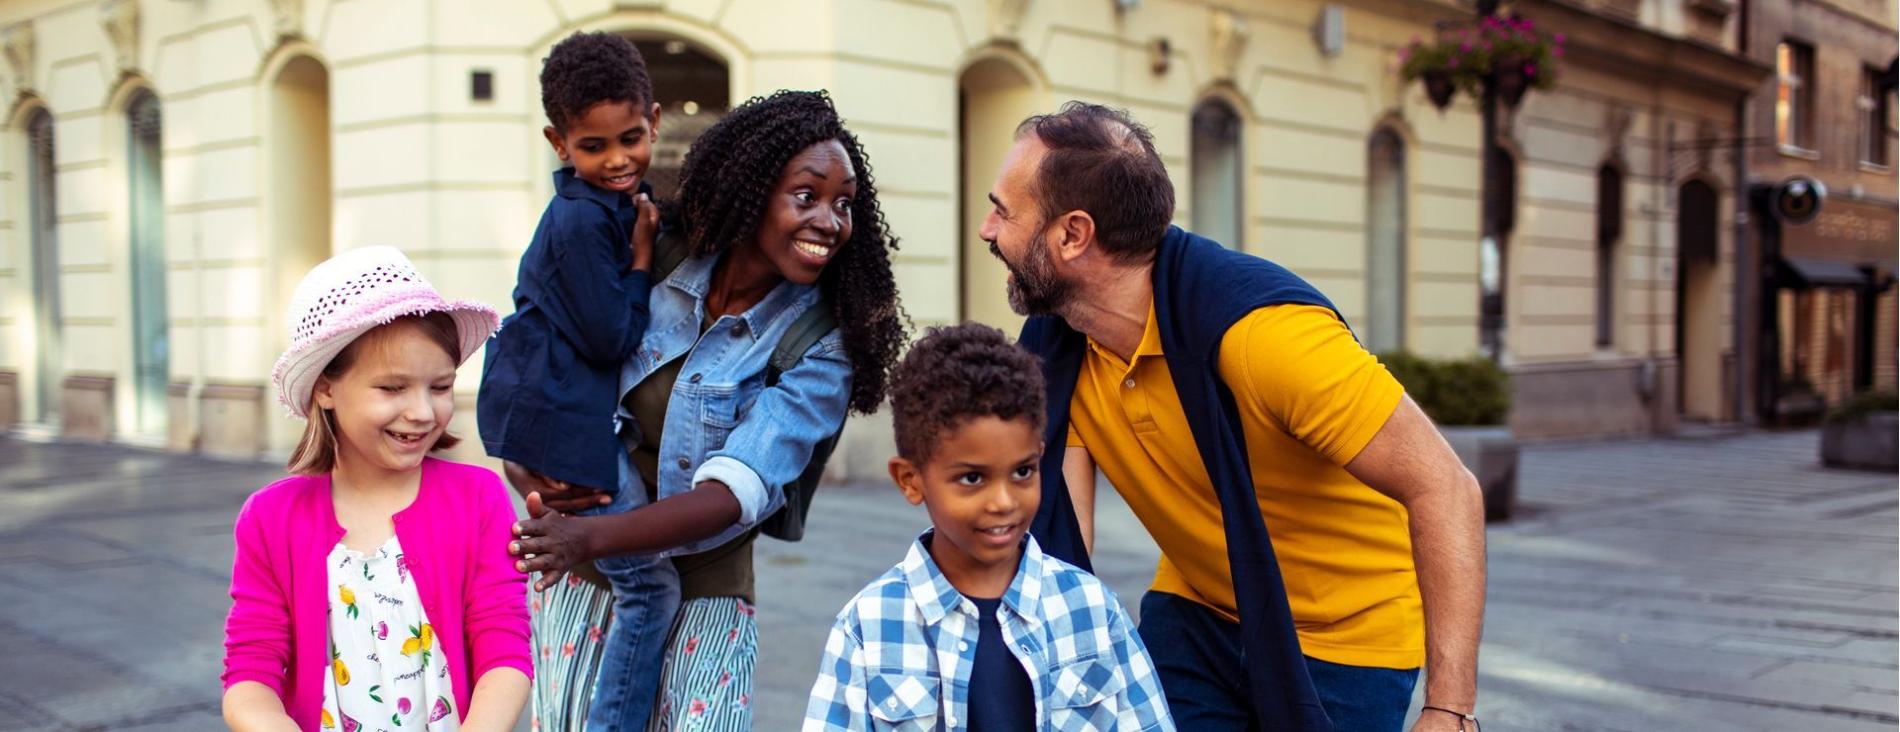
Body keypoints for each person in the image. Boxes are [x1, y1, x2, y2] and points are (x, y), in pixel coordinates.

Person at [988, 103, 1488, 731]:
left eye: (1004, 211)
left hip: (1343, 635)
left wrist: (1450, 709)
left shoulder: (1267, 338)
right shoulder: (1061, 344)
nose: (987, 229)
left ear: (1072, 234)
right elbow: (1061, 538)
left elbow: (1446, 488)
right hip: (1196, 607)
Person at [506, 89, 908, 730]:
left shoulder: (824, 344)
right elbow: (542, 355)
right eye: (806, 196)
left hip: (705, 589)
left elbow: (733, 492)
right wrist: (528, 471)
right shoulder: (651, 253)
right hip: (587, 580)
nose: (830, 221)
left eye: (844, 204)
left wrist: (586, 533)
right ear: (750, 192)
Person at [804, 323, 1174, 731]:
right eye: (972, 479)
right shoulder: (868, 626)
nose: (1003, 502)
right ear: (911, 480)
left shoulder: (1091, 610)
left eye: (1022, 471)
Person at [221, 246, 530, 732]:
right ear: (326, 388)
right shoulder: (270, 517)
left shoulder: (477, 498)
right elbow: (250, 670)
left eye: (441, 387)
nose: (423, 412)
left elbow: (504, 648)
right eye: (392, 388)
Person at [475, 30, 671, 732]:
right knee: (650, 589)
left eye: (630, 137)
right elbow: (611, 337)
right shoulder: (584, 222)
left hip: (552, 411)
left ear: (653, 120)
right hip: (554, 419)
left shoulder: (610, 204)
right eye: (595, 147)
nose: (619, 159)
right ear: (560, 144)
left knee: (631, 575)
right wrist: (643, 259)